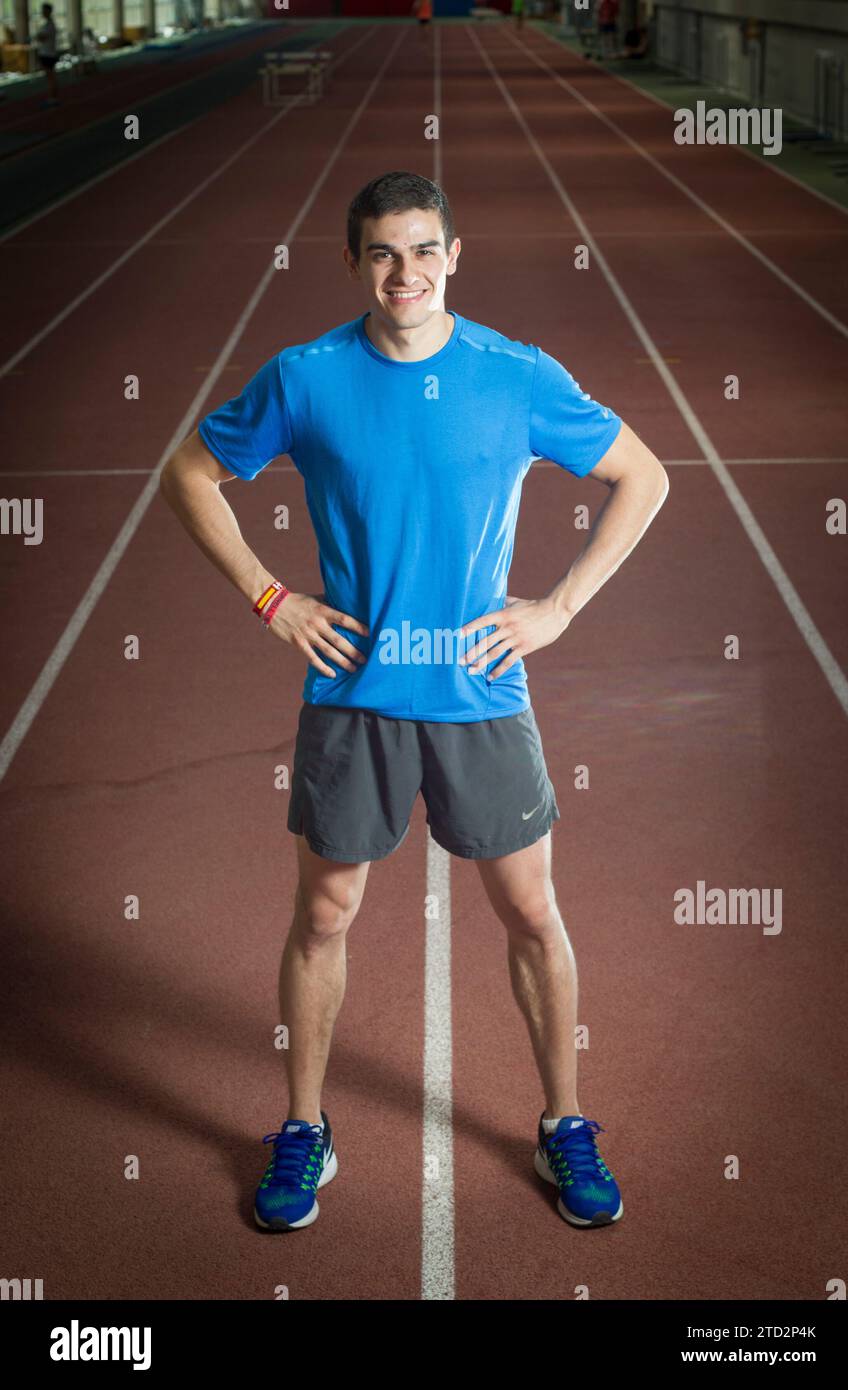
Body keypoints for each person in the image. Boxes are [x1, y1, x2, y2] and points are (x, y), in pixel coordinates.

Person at [160, 171, 668, 1233]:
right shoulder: (304, 378)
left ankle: (562, 1121)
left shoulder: (514, 375)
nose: (405, 272)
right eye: (383, 253)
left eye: (424, 249)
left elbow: (644, 476)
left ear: (454, 254)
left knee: (529, 912)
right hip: (353, 695)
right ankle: (303, 1128)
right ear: (353, 262)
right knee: (325, 913)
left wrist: (561, 607)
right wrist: (270, 595)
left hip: (482, 689)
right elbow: (190, 475)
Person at [35, 2, 60, 107]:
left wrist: (37, 35)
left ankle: (52, 98)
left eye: (44, 10)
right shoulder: (48, 24)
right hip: (49, 53)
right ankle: (52, 97)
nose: (43, 13)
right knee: (51, 78)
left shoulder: (49, 25)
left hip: (48, 54)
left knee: (50, 78)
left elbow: (41, 38)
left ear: (48, 11)